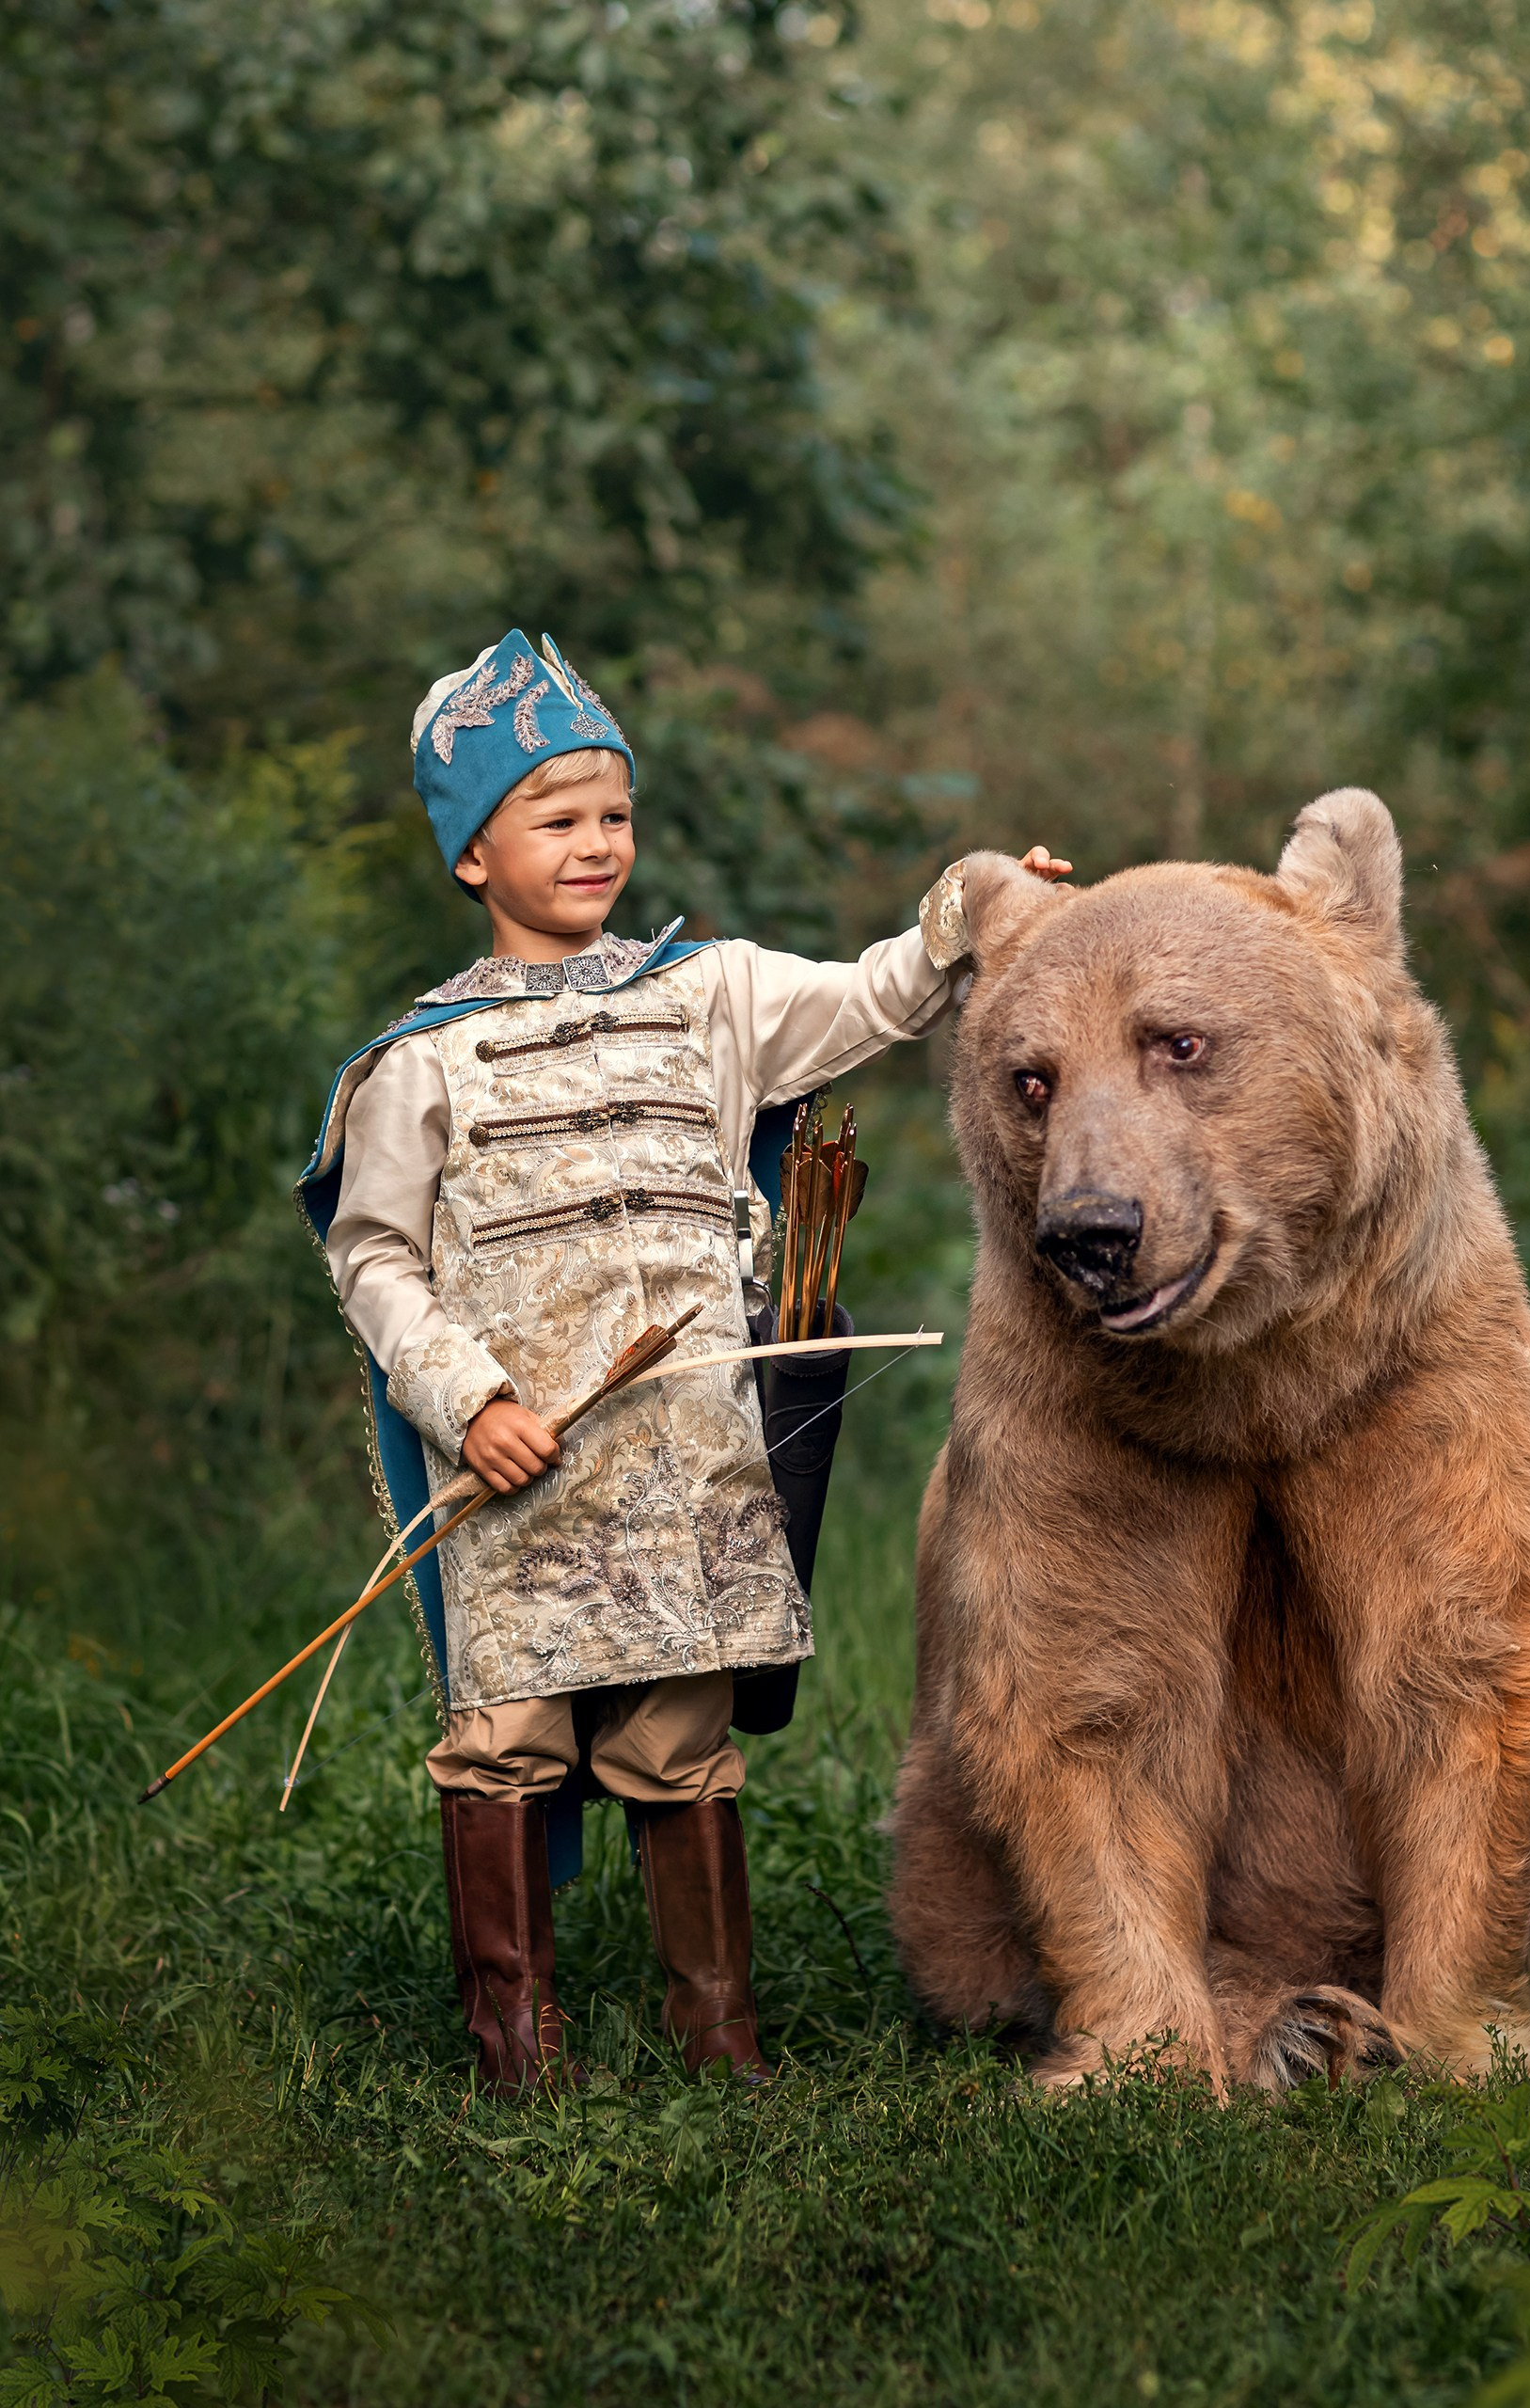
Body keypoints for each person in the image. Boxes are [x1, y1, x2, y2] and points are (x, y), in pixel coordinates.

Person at [296, 628, 1067, 2095]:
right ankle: (515, 2051)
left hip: (691, 1466)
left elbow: (882, 995)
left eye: (615, 814)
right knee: (508, 1743)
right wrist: (471, 1404)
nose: (599, 844)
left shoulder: (712, 995)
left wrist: (973, 904)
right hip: (523, 1469)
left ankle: (722, 2045)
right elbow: (375, 1262)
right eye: (556, 816)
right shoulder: (421, 1063)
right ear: (472, 855)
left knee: (676, 1747)